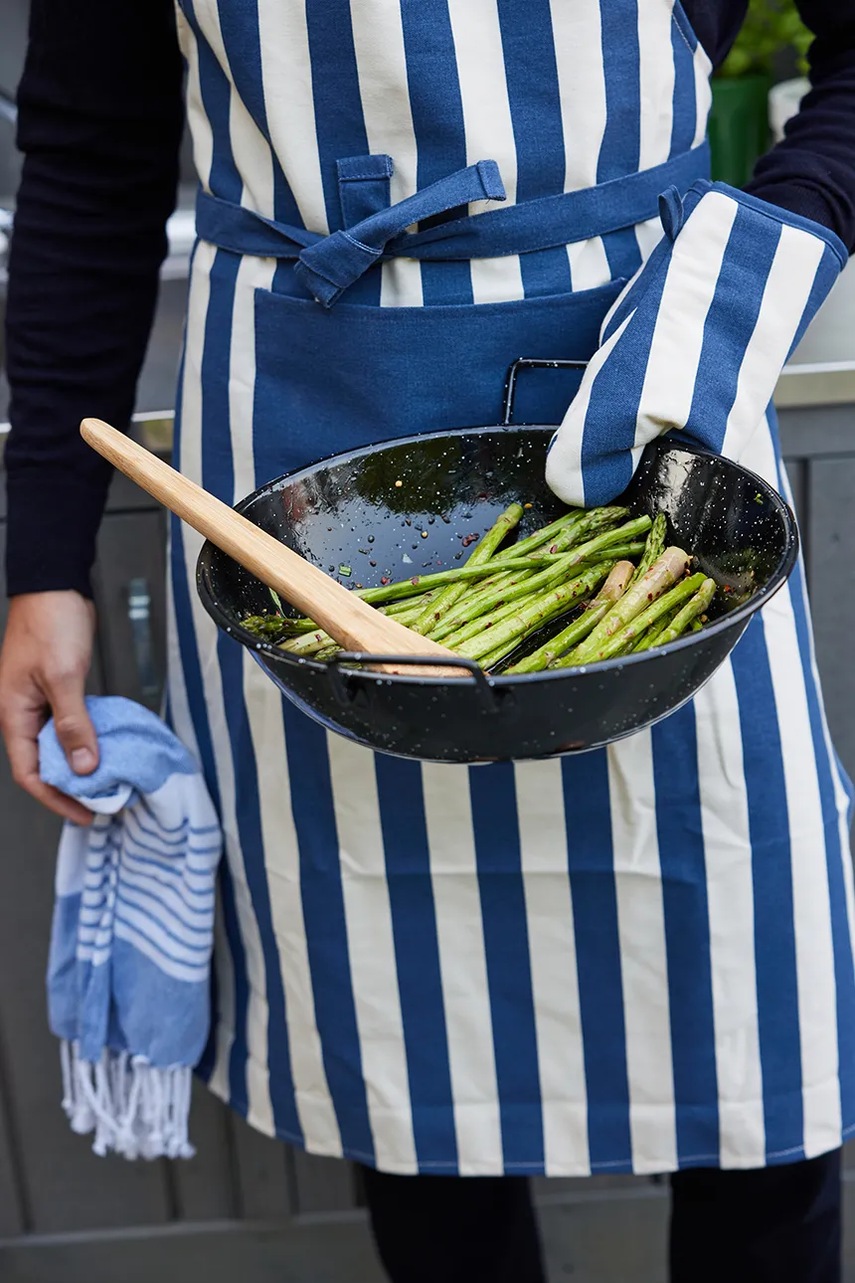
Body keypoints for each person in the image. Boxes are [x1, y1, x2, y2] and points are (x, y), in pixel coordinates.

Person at [2, 3, 855, 1280]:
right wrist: (42, 561)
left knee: (756, 1059)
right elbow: (89, 149)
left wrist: (745, 272)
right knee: (411, 1088)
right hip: (306, 440)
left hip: (649, 447)